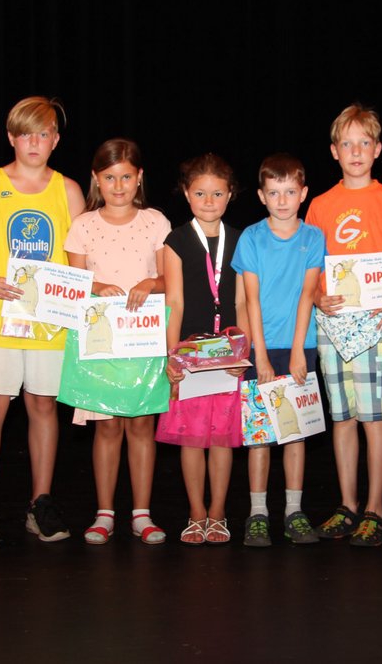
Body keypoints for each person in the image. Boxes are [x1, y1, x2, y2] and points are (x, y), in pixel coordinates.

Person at [0, 96, 85, 552]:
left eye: (44, 134)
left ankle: (40, 503)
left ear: (56, 140)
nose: (35, 142)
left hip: (50, 320)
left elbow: (78, 258)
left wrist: (76, 299)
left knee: (43, 406)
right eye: (26, 134)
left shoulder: (69, 190)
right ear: (12, 137)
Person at [306, 103, 382, 546]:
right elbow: (309, 267)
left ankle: (376, 508)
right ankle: (347, 505)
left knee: (374, 418)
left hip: (378, 324)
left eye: (364, 143)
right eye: (347, 144)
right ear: (334, 151)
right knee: (343, 417)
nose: (356, 152)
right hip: (333, 323)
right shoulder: (321, 205)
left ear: (377, 149)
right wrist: (317, 295)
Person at [65, 138, 171, 545]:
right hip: (101, 342)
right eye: (109, 178)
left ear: (139, 177)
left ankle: (142, 514)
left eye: (126, 177)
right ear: (96, 179)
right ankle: (104, 513)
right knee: (107, 426)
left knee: (142, 425)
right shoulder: (82, 226)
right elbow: (74, 282)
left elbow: (169, 279)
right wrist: (96, 286)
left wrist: (150, 283)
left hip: (144, 341)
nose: (119, 185)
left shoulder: (155, 222)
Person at [231, 153, 326, 547]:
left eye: (289, 192)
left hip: (301, 346)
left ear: (303, 193)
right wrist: (260, 355)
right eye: (274, 192)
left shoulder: (313, 237)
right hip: (261, 349)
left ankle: (293, 511)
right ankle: (257, 513)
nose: (282, 200)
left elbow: (308, 293)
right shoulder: (251, 238)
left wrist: (300, 350)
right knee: (260, 436)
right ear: (261, 195)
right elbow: (250, 300)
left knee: (295, 433)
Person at [156, 154, 248, 545]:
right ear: (186, 194)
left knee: (223, 437)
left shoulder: (241, 239)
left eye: (217, 193)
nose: (209, 201)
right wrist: (171, 355)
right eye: (200, 193)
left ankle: (218, 513)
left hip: (227, 354)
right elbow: (174, 301)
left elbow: (242, 301)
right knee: (192, 438)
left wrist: (243, 352)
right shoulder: (176, 241)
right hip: (191, 353)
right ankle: (196, 513)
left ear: (230, 195)